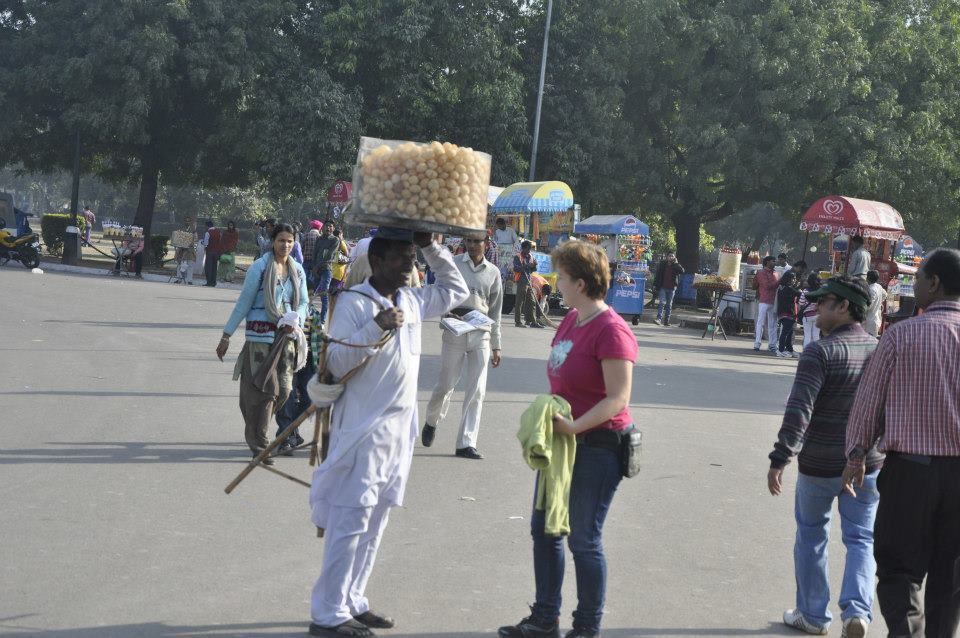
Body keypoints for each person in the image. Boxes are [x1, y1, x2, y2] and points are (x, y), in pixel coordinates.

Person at [307, 229, 468, 637]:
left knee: (376, 522)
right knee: (351, 521)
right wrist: (374, 328)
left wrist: (431, 246)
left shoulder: (413, 300)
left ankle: (353, 600)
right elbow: (336, 362)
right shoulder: (353, 303)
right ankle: (327, 612)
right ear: (377, 261)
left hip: (399, 433)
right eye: (401, 258)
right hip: (362, 432)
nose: (410, 266)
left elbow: (456, 288)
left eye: (413, 257)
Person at [499, 240, 637, 638]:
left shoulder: (612, 331)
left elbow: (618, 398)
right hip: (563, 443)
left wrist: (575, 426)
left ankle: (586, 627)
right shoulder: (570, 319)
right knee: (544, 529)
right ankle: (545, 618)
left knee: (583, 539)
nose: (555, 283)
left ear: (580, 282)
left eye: (560, 277)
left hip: (599, 446)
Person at [842, 248, 960, 638]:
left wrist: (856, 454)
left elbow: (868, 403)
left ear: (934, 283)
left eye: (919, 276)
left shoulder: (901, 335)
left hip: (910, 473)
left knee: (898, 569)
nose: (916, 284)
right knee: (951, 576)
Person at [767, 275, 881, 638]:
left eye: (825, 302)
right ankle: (858, 612)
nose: (816, 310)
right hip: (866, 465)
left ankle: (814, 616)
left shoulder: (820, 351)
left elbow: (800, 409)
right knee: (861, 538)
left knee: (812, 536)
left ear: (844, 307)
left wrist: (780, 457)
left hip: (820, 464)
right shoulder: (880, 349)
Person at [216, 223, 308, 464]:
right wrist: (226, 335)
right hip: (259, 338)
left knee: (285, 390)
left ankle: (257, 429)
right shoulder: (259, 267)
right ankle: (260, 445)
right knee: (265, 393)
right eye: (281, 240)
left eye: (290, 241)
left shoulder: (297, 270)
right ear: (272, 241)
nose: (285, 245)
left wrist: (296, 318)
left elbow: (304, 302)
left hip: (286, 337)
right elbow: (243, 303)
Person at [422, 236, 504, 460]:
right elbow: (441, 291)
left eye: (478, 241)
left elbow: (495, 311)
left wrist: (497, 345)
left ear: (486, 243)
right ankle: (431, 421)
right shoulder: (455, 263)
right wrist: (445, 312)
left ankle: (466, 443)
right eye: (469, 240)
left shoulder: (493, 272)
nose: (473, 245)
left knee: (477, 389)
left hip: (481, 332)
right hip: (454, 328)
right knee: (446, 383)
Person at [312, 221, 347, 325]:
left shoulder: (335, 240)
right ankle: (315, 318)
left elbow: (329, 255)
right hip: (316, 269)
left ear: (333, 229)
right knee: (313, 294)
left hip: (327, 269)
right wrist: (314, 267)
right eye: (327, 226)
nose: (328, 228)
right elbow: (315, 252)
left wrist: (317, 267)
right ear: (323, 228)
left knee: (323, 293)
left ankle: (322, 321)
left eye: (331, 226)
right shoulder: (319, 238)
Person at [753, 256, 781, 352]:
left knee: (773, 323)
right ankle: (757, 343)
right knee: (760, 322)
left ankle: (772, 344)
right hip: (764, 300)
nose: (775, 262)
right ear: (767, 262)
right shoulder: (761, 273)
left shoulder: (776, 273)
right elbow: (767, 286)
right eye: (773, 261)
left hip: (773, 300)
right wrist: (780, 281)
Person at [514, 240, 542, 328]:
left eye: (530, 249)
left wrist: (534, 265)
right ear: (524, 248)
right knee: (519, 302)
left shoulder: (530, 256)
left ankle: (532, 321)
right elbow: (517, 269)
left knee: (532, 302)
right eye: (528, 249)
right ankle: (518, 322)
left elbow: (533, 270)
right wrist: (529, 265)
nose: (529, 251)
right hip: (521, 281)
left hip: (529, 282)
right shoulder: (518, 257)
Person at [653, 252, 685, 326]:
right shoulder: (663, 264)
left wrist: (676, 263)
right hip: (663, 287)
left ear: (674, 257)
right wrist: (655, 284)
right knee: (662, 302)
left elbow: (682, 271)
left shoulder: (676, 265)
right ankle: (658, 319)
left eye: (672, 256)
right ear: (667, 257)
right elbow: (658, 275)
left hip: (672, 288)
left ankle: (666, 321)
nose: (670, 257)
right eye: (669, 256)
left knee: (669, 305)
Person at [776, 270, 802, 358]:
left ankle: (790, 350)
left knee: (789, 332)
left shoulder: (781, 287)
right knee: (786, 333)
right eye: (793, 278)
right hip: (788, 313)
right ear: (788, 279)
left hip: (783, 312)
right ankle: (781, 350)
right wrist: (799, 289)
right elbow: (800, 294)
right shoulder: (789, 289)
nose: (794, 280)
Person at [862, 270, 887, 337]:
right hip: (876, 319)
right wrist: (879, 303)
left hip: (869, 322)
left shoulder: (871, 289)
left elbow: (868, 305)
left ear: (867, 278)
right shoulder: (878, 286)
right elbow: (885, 295)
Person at [800, 272, 822, 347]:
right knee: (816, 336)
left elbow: (801, 303)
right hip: (818, 316)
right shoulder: (821, 291)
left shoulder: (805, 291)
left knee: (807, 336)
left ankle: (806, 353)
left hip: (807, 316)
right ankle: (816, 354)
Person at [174, 217, 198, 285]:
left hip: (190, 250)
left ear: (190, 222)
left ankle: (189, 280)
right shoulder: (181, 230)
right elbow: (179, 238)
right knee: (180, 264)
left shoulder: (193, 230)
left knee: (190, 265)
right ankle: (179, 279)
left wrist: (191, 243)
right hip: (182, 249)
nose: (187, 222)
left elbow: (196, 239)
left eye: (188, 221)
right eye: (186, 221)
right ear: (184, 222)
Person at [302, 220, 323, 287]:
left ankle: (304, 288)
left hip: (306, 259)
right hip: (315, 261)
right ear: (319, 228)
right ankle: (314, 291)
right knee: (315, 277)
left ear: (312, 227)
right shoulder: (320, 236)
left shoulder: (306, 235)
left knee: (304, 276)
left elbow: (302, 246)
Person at [202, 220, 222, 287]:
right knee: (214, 267)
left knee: (208, 267)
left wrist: (202, 242)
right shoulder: (218, 232)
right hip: (217, 252)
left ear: (207, 226)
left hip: (210, 251)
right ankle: (214, 282)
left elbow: (206, 243)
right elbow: (220, 242)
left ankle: (209, 282)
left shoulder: (208, 233)